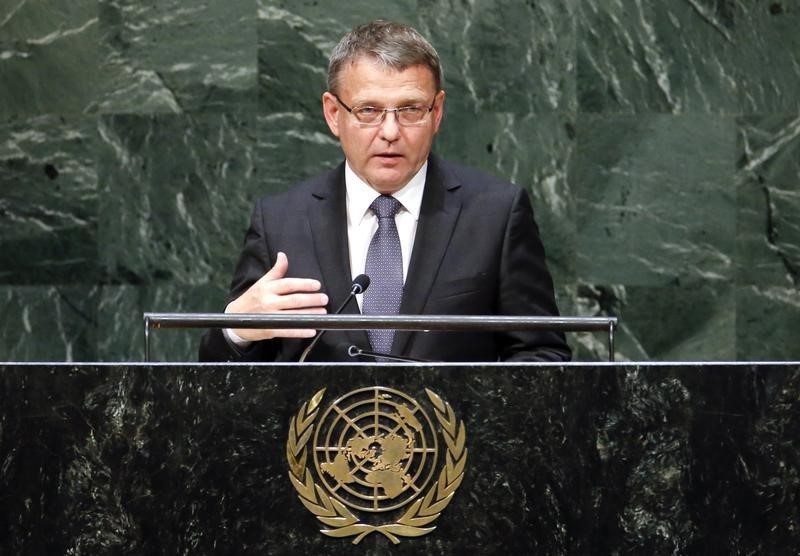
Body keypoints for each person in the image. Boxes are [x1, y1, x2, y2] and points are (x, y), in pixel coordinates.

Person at [199, 20, 571, 363]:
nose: (390, 132)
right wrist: (236, 330)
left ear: (437, 112)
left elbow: (541, 354)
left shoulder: (496, 214)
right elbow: (220, 381)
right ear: (333, 114)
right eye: (369, 111)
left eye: (410, 109)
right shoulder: (280, 222)